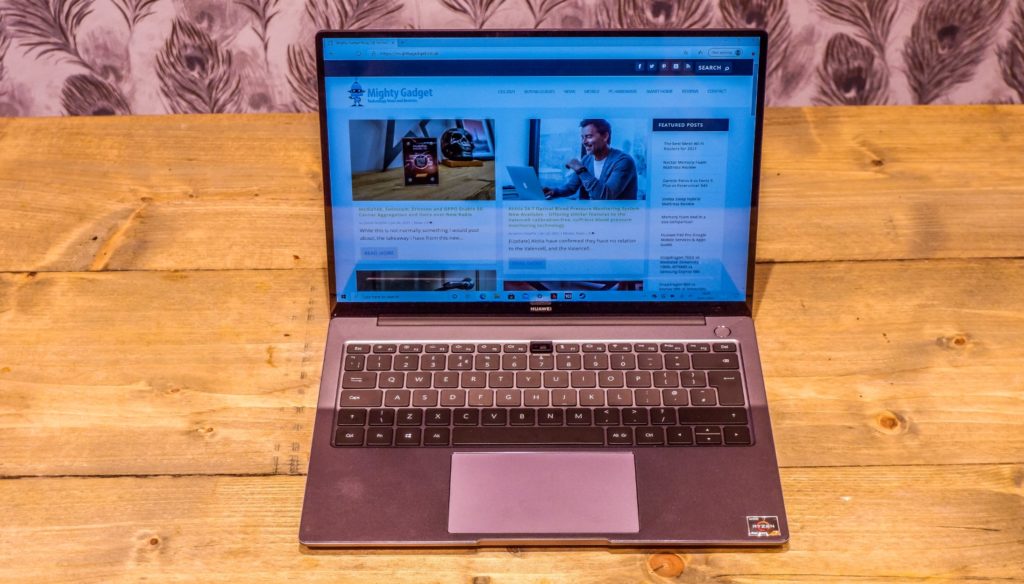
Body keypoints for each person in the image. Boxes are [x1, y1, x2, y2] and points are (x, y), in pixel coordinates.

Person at [543, 118, 638, 200]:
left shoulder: (624, 161)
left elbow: (606, 196)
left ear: (605, 136)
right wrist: (554, 191)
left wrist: (580, 169)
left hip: (620, 214)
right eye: (582, 137)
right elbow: (571, 187)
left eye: (589, 136)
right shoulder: (587, 160)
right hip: (596, 213)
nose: (584, 142)